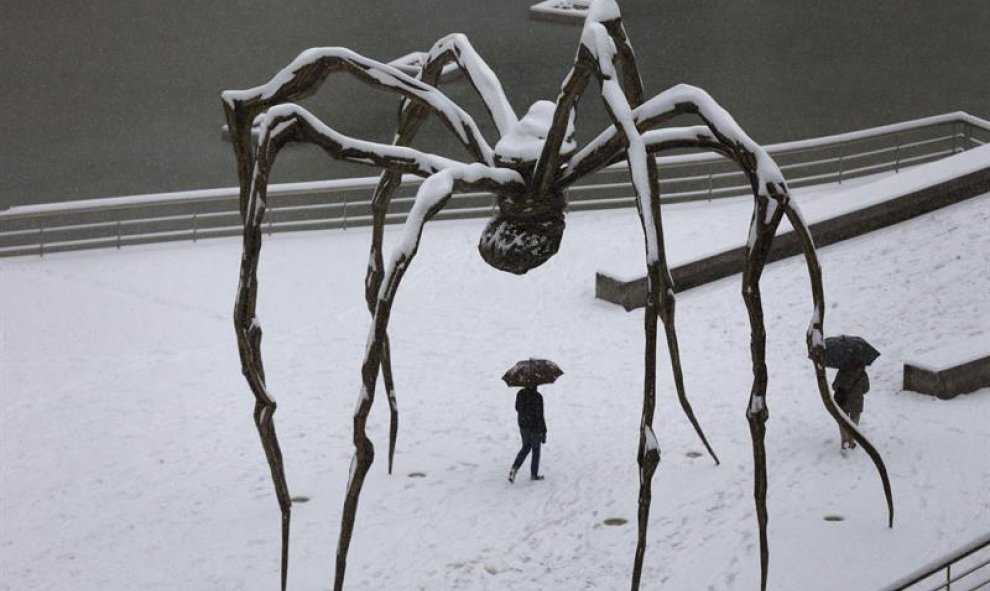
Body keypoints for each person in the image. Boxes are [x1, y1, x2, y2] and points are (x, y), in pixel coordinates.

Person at [508, 385, 547, 483]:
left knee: (526, 447)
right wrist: (544, 431)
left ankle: (514, 468)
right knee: (536, 450)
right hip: (535, 426)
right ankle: (534, 474)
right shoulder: (538, 397)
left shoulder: (520, 394)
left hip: (523, 425)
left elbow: (517, 408)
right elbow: (540, 415)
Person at [833, 364, 870, 450]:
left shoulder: (841, 372)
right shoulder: (862, 373)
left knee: (843, 421)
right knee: (854, 423)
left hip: (843, 401)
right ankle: (851, 442)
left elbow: (835, 386)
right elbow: (866, 389)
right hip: (857, 402)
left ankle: (844, 441)